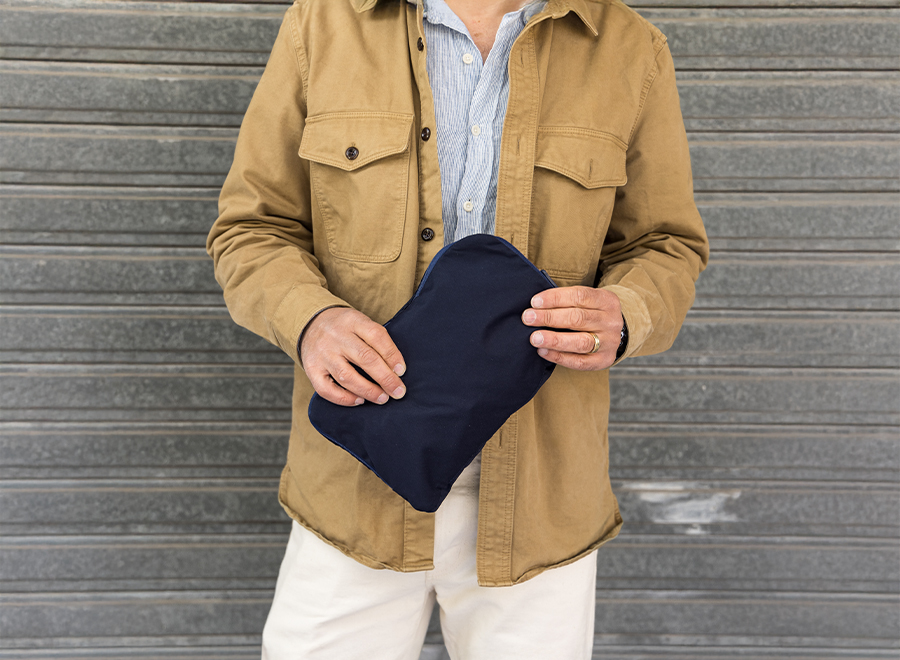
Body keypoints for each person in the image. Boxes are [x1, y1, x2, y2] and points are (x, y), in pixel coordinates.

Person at [207, 0, 709, 657]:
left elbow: (667, 246)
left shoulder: (630, 49)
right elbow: (251, 227)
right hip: (353, 493)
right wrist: (310, 319)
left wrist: (626, 314)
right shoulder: (322, 25)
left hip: (541, 506)